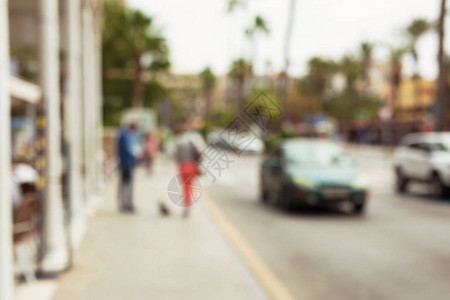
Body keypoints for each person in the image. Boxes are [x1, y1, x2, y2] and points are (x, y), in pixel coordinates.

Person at [172, 123, 205, 218]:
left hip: (182, 166)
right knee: (189, 186)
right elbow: (200, 153)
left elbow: (173, 154)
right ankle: (188, 206)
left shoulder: (178, 141)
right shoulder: (193, 140)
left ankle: (186, 206)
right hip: (192, 166)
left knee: (185, 187)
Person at [117, 123, 137, 212]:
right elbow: (128, 149)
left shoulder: (124, 134)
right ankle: (126, 205)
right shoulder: (126, 135)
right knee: (126, 185)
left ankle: (125, 204)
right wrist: (135, 155)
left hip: (125, 162)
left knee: (124, 184)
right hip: (126, 163)